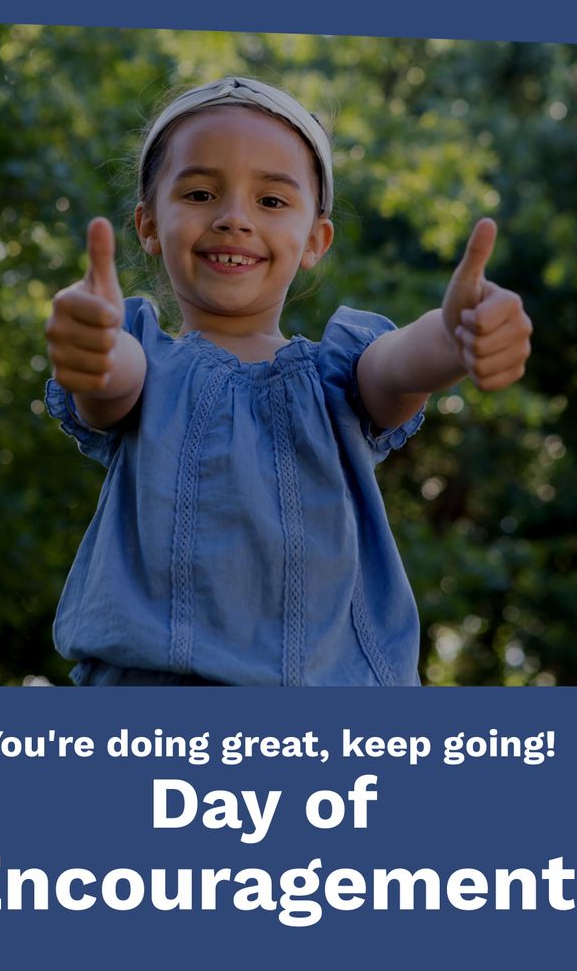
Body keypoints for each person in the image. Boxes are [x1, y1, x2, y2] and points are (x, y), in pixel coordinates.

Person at [44, 77, 532, 686]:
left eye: (272, 201)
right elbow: (109, 380)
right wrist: (91, 341)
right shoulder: (144, 362)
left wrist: (455, 334)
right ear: (147, 224)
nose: (233, 219)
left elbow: (401, 362)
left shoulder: (339, 377)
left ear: (315, 239)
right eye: (199, 193)